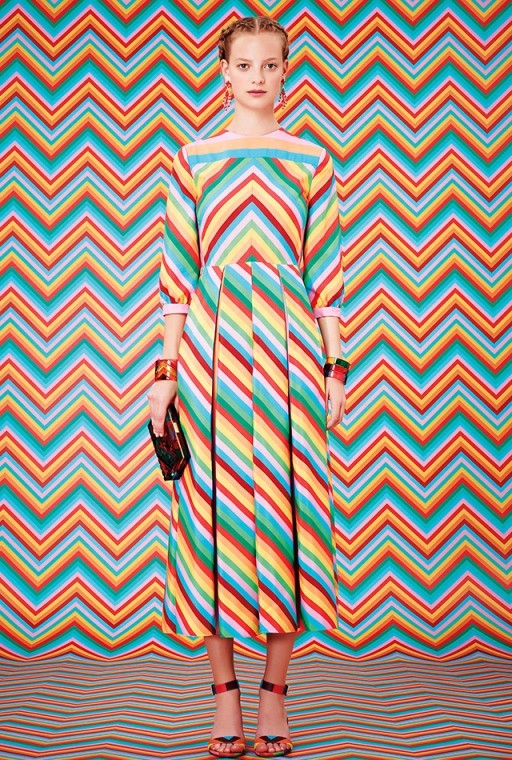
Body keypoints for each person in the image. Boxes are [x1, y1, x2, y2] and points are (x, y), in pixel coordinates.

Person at [147, 14, 349, 759]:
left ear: (286, 72)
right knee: (214, 521)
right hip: (213, 358)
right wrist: (164, 376)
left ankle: (274, 699)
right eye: (245, 65)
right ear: (225, 73)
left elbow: (326, 276)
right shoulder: (193, 158)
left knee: (288, 520)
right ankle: (224, 701)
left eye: (270, 64)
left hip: (291, 357)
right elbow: (177, 279)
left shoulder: (311, 160)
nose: (257, 77)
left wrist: (336, 367)